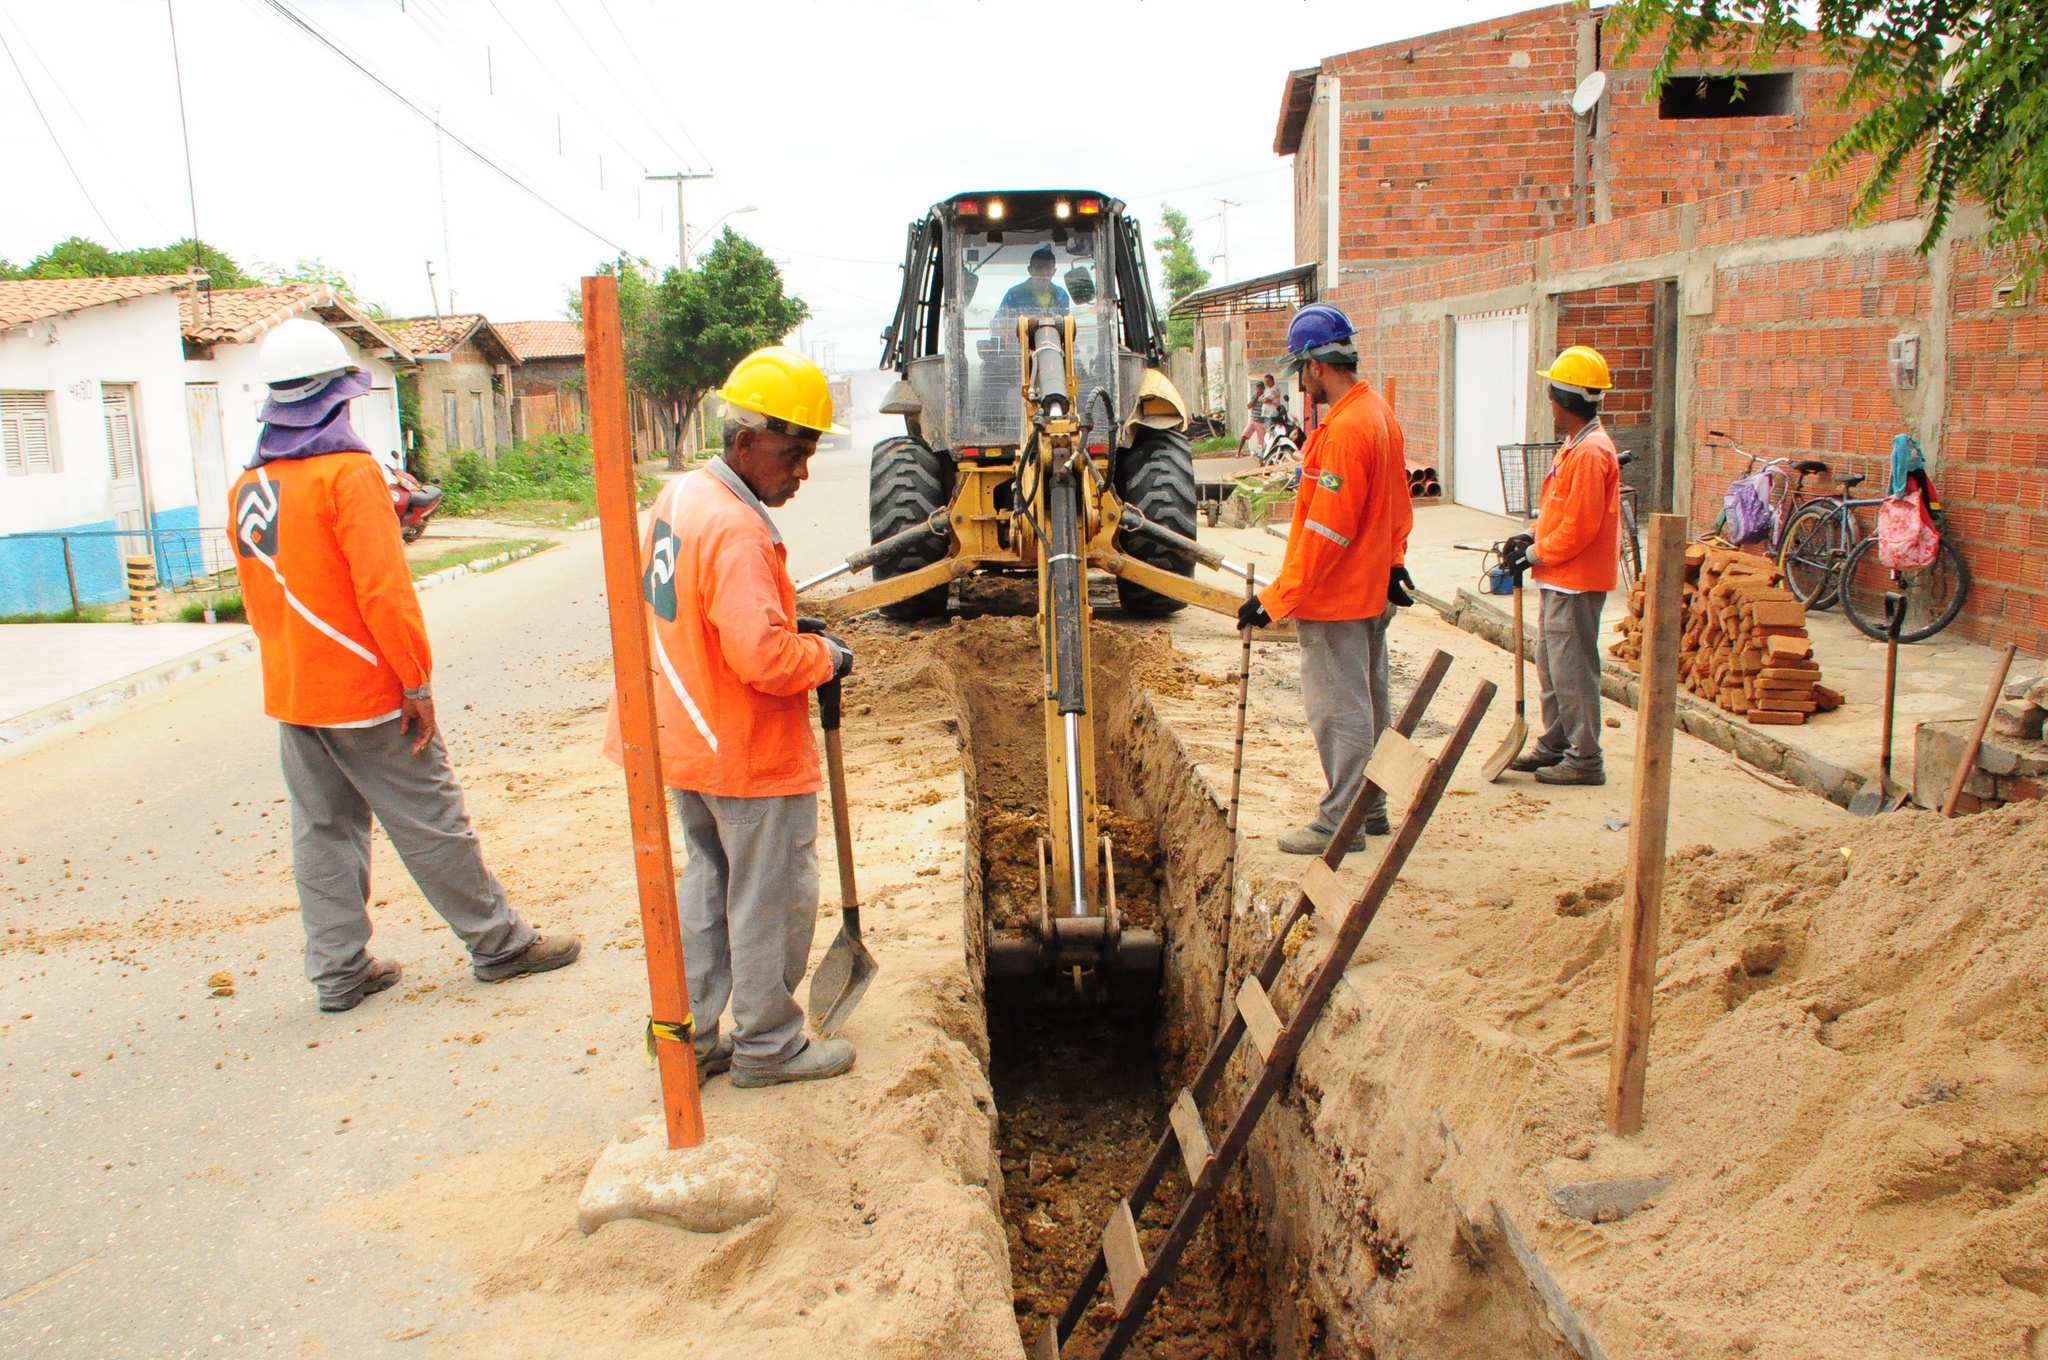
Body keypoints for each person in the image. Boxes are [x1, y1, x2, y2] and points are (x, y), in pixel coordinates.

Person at [229, 318, 578, 1013]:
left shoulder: (250, 486)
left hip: (293, 690)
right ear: (334, 401)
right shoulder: (350, 474)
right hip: (364, 690)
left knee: (322, 831)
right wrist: (414, 680)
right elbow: (382, 590)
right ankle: (500, 944)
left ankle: (338, 971)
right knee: (432, 817)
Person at [603, 346, 857, 1089]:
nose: (801, 472)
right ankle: (771, 1046)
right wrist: (826, 658)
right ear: (745, 443)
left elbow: (706, 613)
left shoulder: (682, 499)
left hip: (683, 738)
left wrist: (786, 623)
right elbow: (765, 661)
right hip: (742, 749)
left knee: (712, 888)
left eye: (809, 453)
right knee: (768, 895)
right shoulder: (740, 530)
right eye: (793, 452)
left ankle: (702, 1037)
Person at [1236, 304, 1414, 855]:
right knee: (1371, 700)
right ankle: (1372, 806)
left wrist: (1276, 598)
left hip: (1337, 597)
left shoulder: (1343, 431)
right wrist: (1394, 562)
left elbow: (1326, 535)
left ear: (1317, 365)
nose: (1301, 385)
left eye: (1301, 371)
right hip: (1369, 587)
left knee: (1340, 710)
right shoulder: (1377, 412)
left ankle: (1343, 821)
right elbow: (1395, 504)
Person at [1502, 345, 1622, 786]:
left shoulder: (1591, 453)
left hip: (1576, 580)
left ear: (1566, 400)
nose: (1549, 402)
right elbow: (1558, 513)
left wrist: (1533, 554)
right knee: (1551, 667)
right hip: (1559, 576)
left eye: (1552, 394)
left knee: (1572, 672)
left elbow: (1579, 529)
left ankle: (1585, 757)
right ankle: (1556, 743)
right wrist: (1530, 535)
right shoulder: (1574, 445)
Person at [991, 246, 1072, 337]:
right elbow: (997, 327)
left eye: (1048, 269)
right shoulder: (1013, 295)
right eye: (1039, 268)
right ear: (1030, 270)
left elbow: (1067, 329)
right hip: (1021, 350)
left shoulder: (1062, 296)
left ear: (1054, 271)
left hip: (1053, 349)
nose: (1044, 273)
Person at [1238, 379, 1268, 455]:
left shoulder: (1266, 396)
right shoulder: (1254, 396)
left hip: (1261, 422)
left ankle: (1263, 454)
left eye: (1261, 388)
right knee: (1244, 435)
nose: (1259, 389)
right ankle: (1238, 453)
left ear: (1263, 388)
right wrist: (1256, 398)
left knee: (1262, 441)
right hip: (1253, 420)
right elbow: (1249, 406)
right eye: (1258, 388)